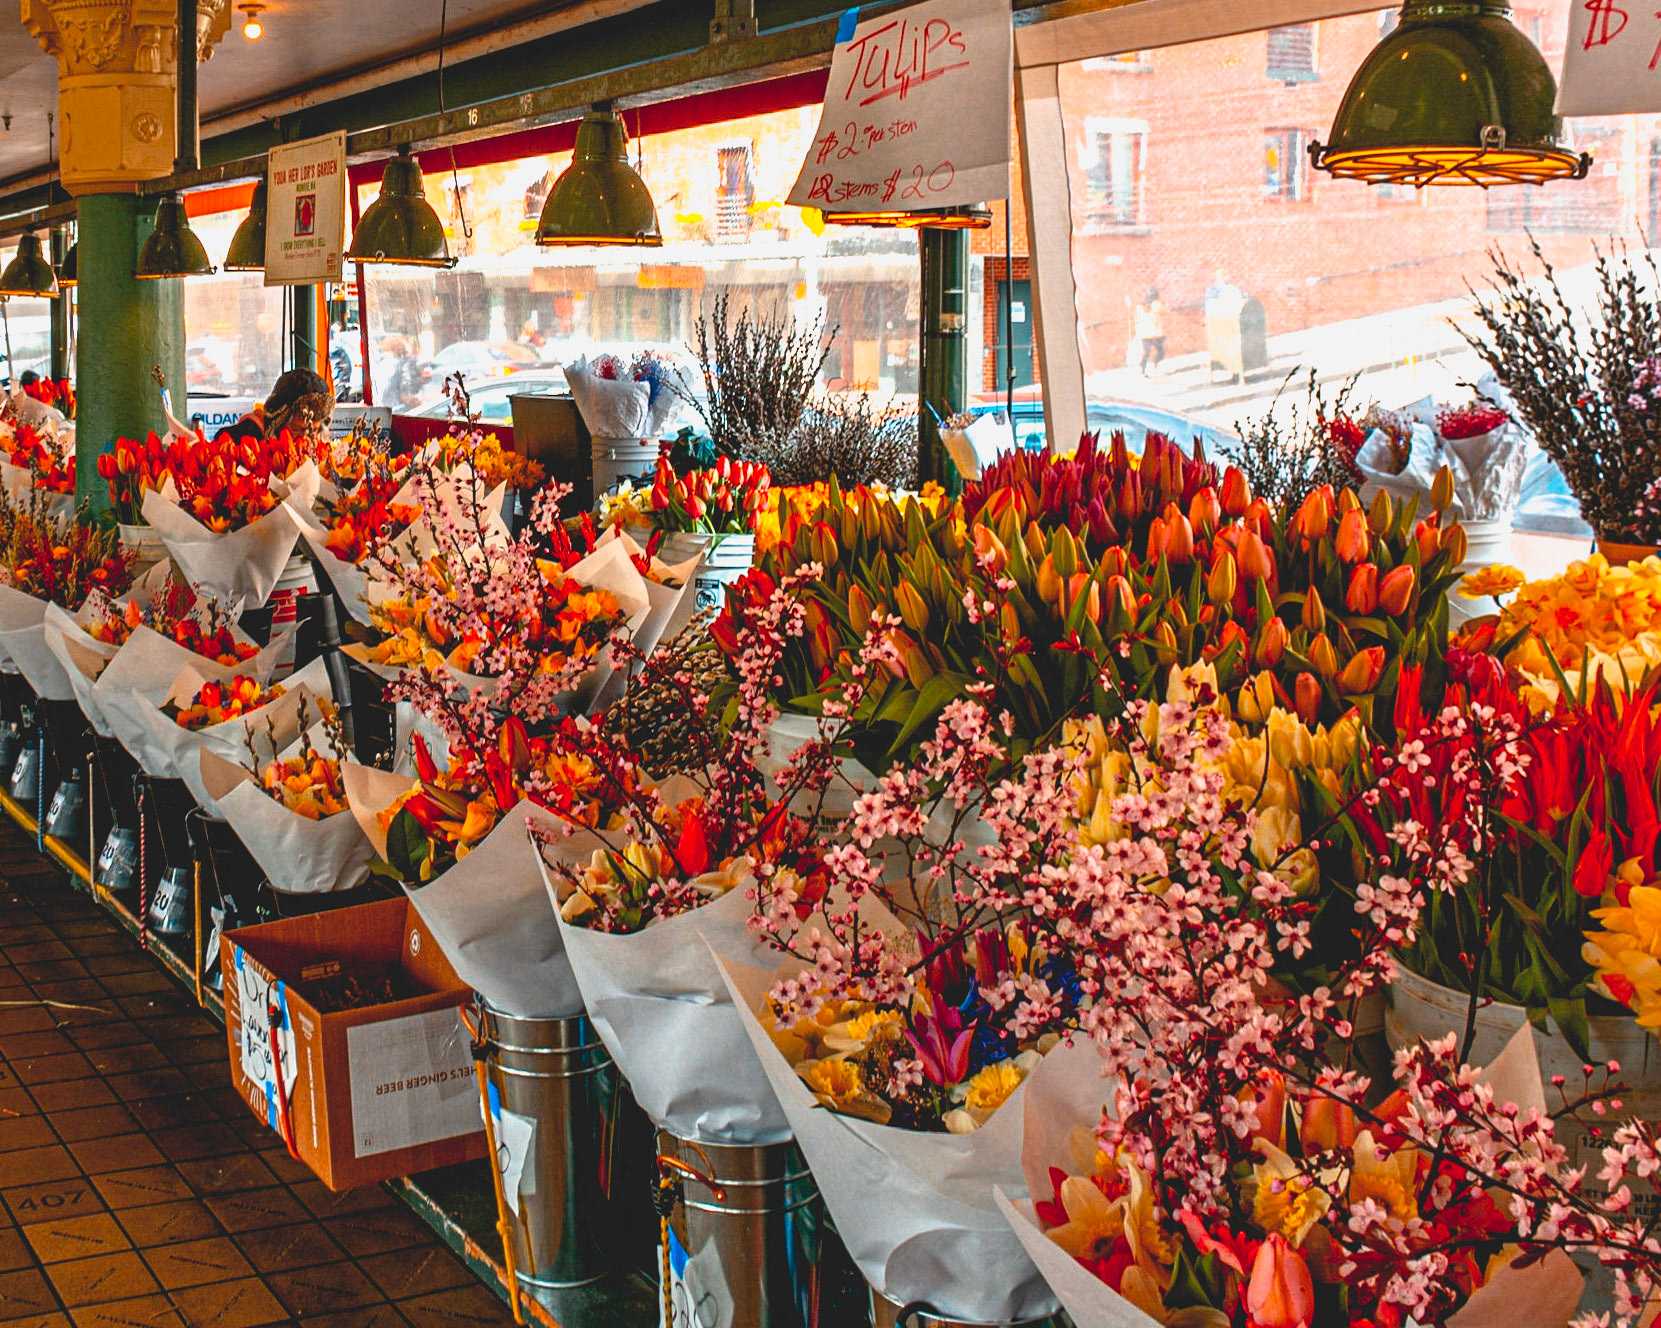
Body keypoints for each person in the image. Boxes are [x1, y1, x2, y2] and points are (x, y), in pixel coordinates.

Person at [215, 368, 335, 445]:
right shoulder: (235, 440)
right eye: (296, 430)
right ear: (277, 420)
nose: (303, 439)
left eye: (313, 430)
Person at [1133, 287, 1166, 376]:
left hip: (1144, 333)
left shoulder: (1139, 307)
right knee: (1161, 350)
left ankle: (1142, 370)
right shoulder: (1157, 304)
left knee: (1146, 352)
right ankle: (1156, 366)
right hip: (1155, 332)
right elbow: (1164, 311)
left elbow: (1136, 319)